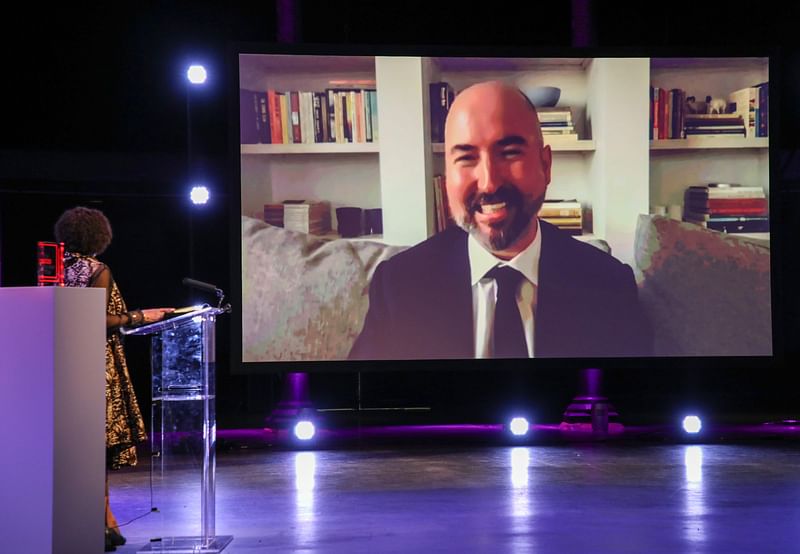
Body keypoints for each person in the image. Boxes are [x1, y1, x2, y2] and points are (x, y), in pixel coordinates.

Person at [349, 80, 652, 360]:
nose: (489, 183)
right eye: (466, 158)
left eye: (509, 153)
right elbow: (366, 408)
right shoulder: (398, 287)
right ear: (446, 179)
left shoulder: (610, 286)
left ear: (545, 165)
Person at [54, 206, 173, 552]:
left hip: (62, 362)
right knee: (97, 448)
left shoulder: (54, 269)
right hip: (95, 363)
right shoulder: (97, 270)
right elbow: (99, 319)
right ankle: (101, 525)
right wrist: (139, 316)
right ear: (99, 237)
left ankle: (105, 524)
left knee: (78, 449)